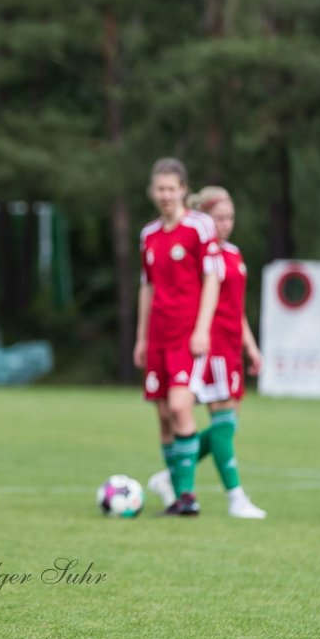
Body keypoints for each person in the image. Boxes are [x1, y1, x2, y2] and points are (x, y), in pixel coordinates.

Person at [147, 186, 266, 519]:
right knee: (222, 422)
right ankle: (236, 498)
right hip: (210, 345)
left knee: (227, 427)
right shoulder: (203, 253)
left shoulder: (235, 254)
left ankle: (170, 477)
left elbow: (236, 309)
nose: (226, 224)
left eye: (230, 218)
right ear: (204, 219)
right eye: (219, 218)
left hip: (232, 348)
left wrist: (251, 347)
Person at [133, 158, 222, 516]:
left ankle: (187, 495)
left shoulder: (200, 227)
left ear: (184, 189)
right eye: (160, 189)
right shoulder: (148, 235)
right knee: (164, 418)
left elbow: (213, 278)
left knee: (181, 406)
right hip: (157, 335)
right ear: (153, 192)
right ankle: (173, 491)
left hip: (187, 334)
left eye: (172, 188)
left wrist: (202, 328)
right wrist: (141, 337)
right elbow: (147, 288)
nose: (166, 195)